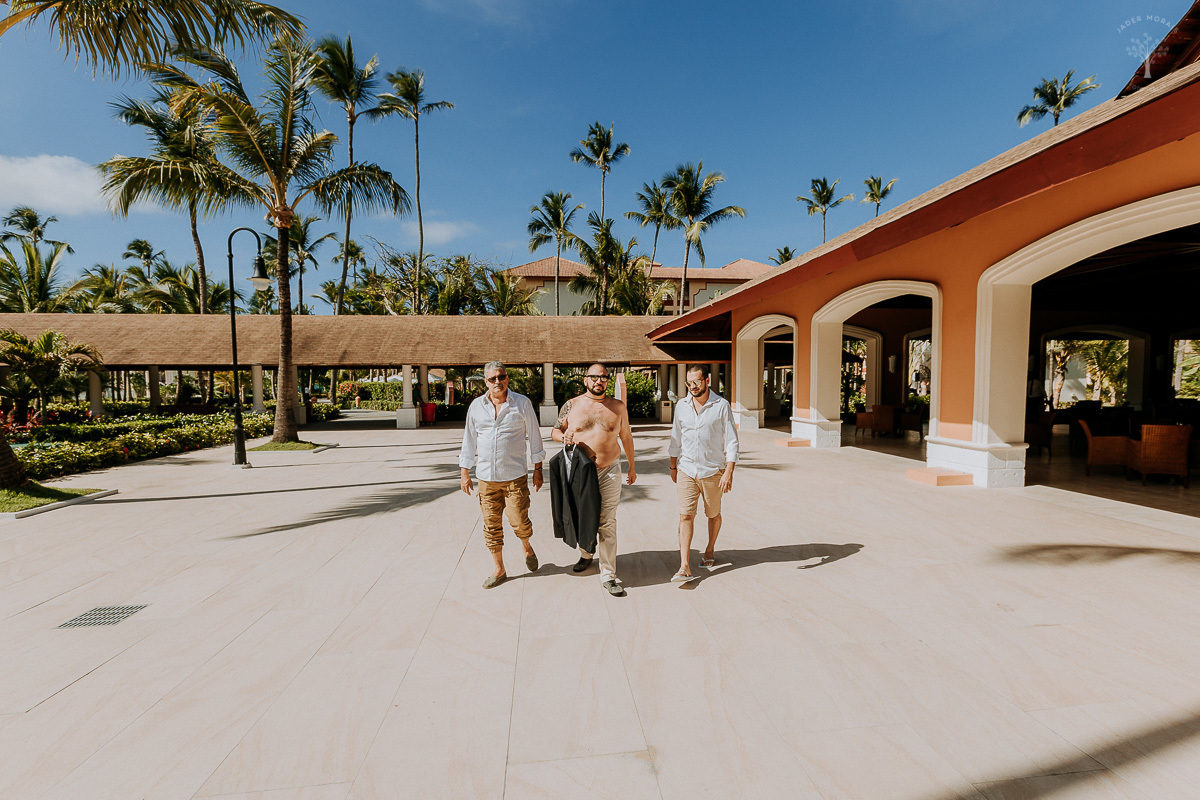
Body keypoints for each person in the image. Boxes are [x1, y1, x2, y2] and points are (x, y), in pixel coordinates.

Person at [459, 361, 545, 589]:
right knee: (491, 525)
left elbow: (535, 436)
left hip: (515, 476)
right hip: (486, 478)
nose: (498, 382)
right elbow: (469, 439)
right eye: (492, 379)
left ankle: (526, 546)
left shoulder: (522, 403)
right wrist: (464, 472)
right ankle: (499, 569)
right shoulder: (477, 406)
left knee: (519, 520)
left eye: (501, 377)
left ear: (507, 378)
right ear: (485, 381)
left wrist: (538, 469)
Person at [552, 363, 637, 597]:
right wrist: (564, 437)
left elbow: (626, 436)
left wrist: (631, 465)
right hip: (581, 471)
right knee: (582, 516)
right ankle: (587, 554)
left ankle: (608, 574)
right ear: (585, 380)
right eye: (595, 377)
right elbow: (555, 431)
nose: (600, 381)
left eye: (604, 378)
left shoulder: (617, 407)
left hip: (609, 469)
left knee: (607, 520)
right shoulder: (572, 405)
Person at [668, 364, 739, 582]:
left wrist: (729, 471)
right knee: (685, 515)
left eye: (696, 382)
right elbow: (676, 437)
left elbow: (732, 440)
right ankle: (684, 566)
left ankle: (709, 548)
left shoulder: (721, 405)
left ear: (707, 380)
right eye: (688, 383)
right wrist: (673, 466)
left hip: (712, 471)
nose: (692, 387)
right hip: (687, 469)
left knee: (713, 514)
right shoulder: (681, 405)